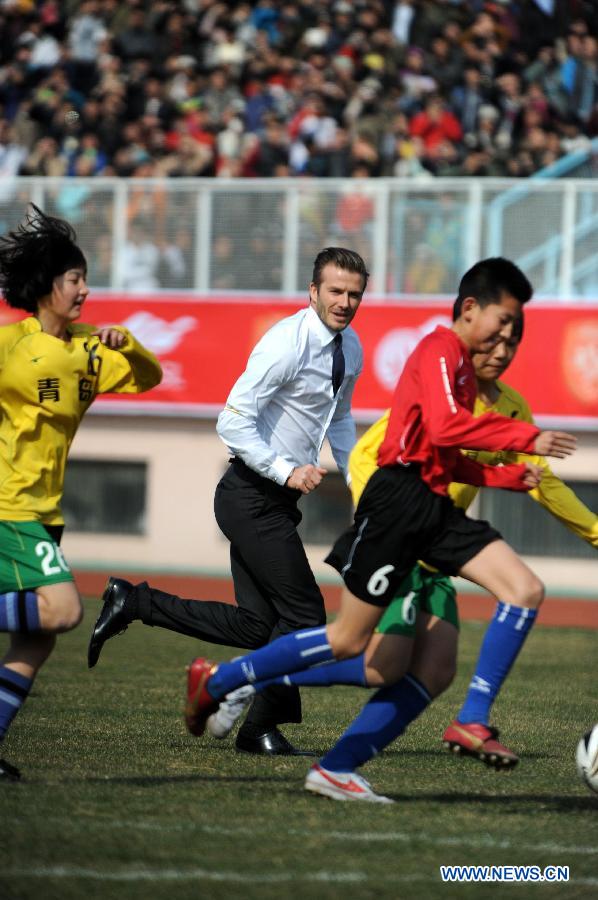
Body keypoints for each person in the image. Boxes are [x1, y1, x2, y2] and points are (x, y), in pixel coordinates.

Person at [182, 257, 577, 800]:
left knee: (517, 596)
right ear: (469, 309)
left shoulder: (458, 371)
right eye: (503, 321)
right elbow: (442, 428)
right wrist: (524, 438)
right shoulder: (440, 349)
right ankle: (226, 681)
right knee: (353, 644)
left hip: (433, 508)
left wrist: (508, 476)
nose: (506, 338)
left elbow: (443, 454)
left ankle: (458, 724)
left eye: (515, 331)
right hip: (396, 506)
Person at [87, 247, 369, 756]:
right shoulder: (285, 343)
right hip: (248, 497)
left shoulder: (352, 348)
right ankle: (257, 721)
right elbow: (231, 421)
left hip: (275, 505)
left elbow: (342, 419)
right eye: (335, 291)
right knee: (305, 615)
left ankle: (133, 602)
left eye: (354, 293)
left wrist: (360, 481)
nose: (345, 302)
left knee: (258, 626)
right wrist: (286, 469)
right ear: (313, 292)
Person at [0, 205, 162, 781]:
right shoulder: (11, 346)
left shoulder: (92, 347)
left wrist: (131, 343)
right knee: (63, 609)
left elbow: (149, 377)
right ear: (48, 286)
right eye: (76, 280)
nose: (86, 291)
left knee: (35, 641)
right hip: (9, 508)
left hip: (43, 512)